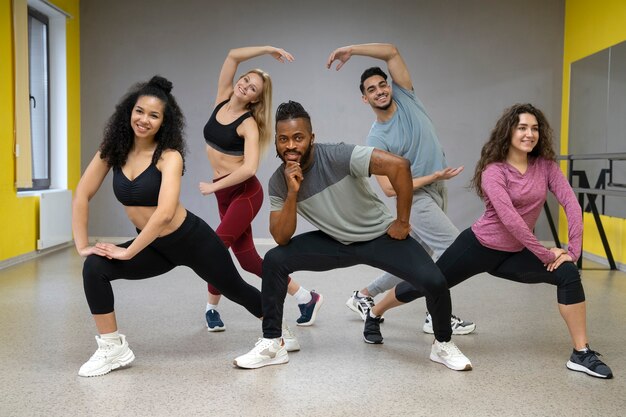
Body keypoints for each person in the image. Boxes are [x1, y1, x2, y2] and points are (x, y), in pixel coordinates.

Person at [366, 103, 614, 379]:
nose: (529, 134)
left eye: (534, 128)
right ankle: (375, 312)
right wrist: (546, 255)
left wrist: (572, 251)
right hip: (478, 247)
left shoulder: (545, 167)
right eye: (522, 128)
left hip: (514, 253)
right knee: (428, 283)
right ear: (508, 132)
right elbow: (511, 221)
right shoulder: (494, 171)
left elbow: (570, 202)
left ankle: (581, 353)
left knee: (567, 273)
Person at [72, 76, 291, 378]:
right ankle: (112, 348)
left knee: (235, 289)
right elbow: (82, 193)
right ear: (128, 112)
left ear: (164, 122)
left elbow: (163, 214)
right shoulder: (113, 151)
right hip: (153, 246)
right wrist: (81, 244)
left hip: (190, 240)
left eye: (153, 115)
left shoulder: (168, 157)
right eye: (139, 111)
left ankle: (277, 331)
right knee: (94, 267)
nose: (144, 120)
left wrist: (127, 252)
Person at [233, 101, 472, 371]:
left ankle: (442, 345)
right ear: (276, 142)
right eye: (283, 139)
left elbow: (399, 166)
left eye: (298, 138)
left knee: (435, 280)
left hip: (379, 236)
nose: (290, 146)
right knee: (274, 260)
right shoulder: (279, 181)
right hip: (334, 242)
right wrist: (292, 192)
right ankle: (273, 343)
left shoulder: (338, 155)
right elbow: (281, 237)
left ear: (312, 138)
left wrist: (402, 221)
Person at [326, 43, 474, 334]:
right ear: (364, 98)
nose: (380, 90)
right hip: (416, 198)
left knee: (417, 256)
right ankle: (437, 314)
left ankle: (364, 295)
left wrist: (352, 50)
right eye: (371, 89)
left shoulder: (407, 98)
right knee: (455, 250)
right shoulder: (377, 138)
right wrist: (433, 176)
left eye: (383, 84)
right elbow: (390, 189)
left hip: (436, 189)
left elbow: (391, 52)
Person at [199, 46, 322, 332]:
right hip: (223, 193)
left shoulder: (249, 125)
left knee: (214, 248)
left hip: (244, 193)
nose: (244, 85)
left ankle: (211, 308)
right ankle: (307, 297)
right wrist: (267, 50)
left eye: (252, 87)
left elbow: (249, 169)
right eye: (245, 80)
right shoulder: (221, 101)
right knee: (248, 260)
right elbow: (231, 56)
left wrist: (211, 186)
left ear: (256, 98)